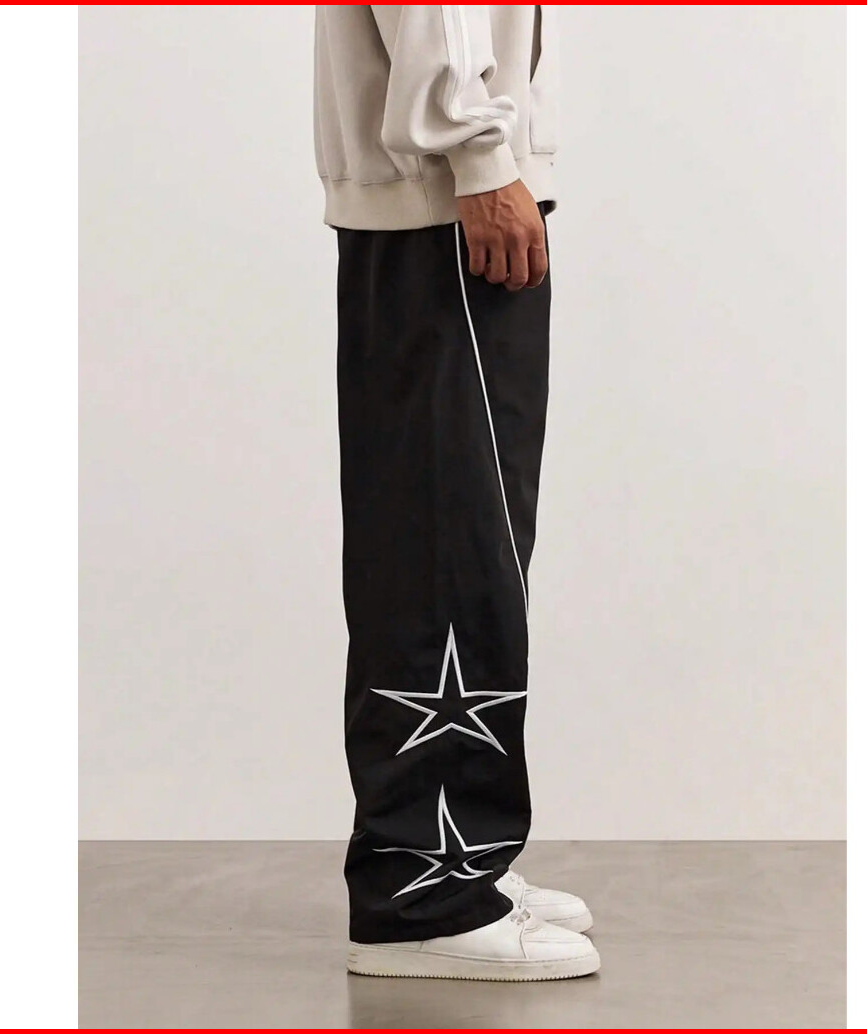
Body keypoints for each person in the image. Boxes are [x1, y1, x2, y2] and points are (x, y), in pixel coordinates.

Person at [315, 5, 600, 981]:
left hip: (445, 187)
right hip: (444, 195)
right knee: (448, 541)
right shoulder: (459, 172)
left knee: (466, 532)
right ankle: (422, 893)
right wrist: (477, 154)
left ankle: (456, 856)